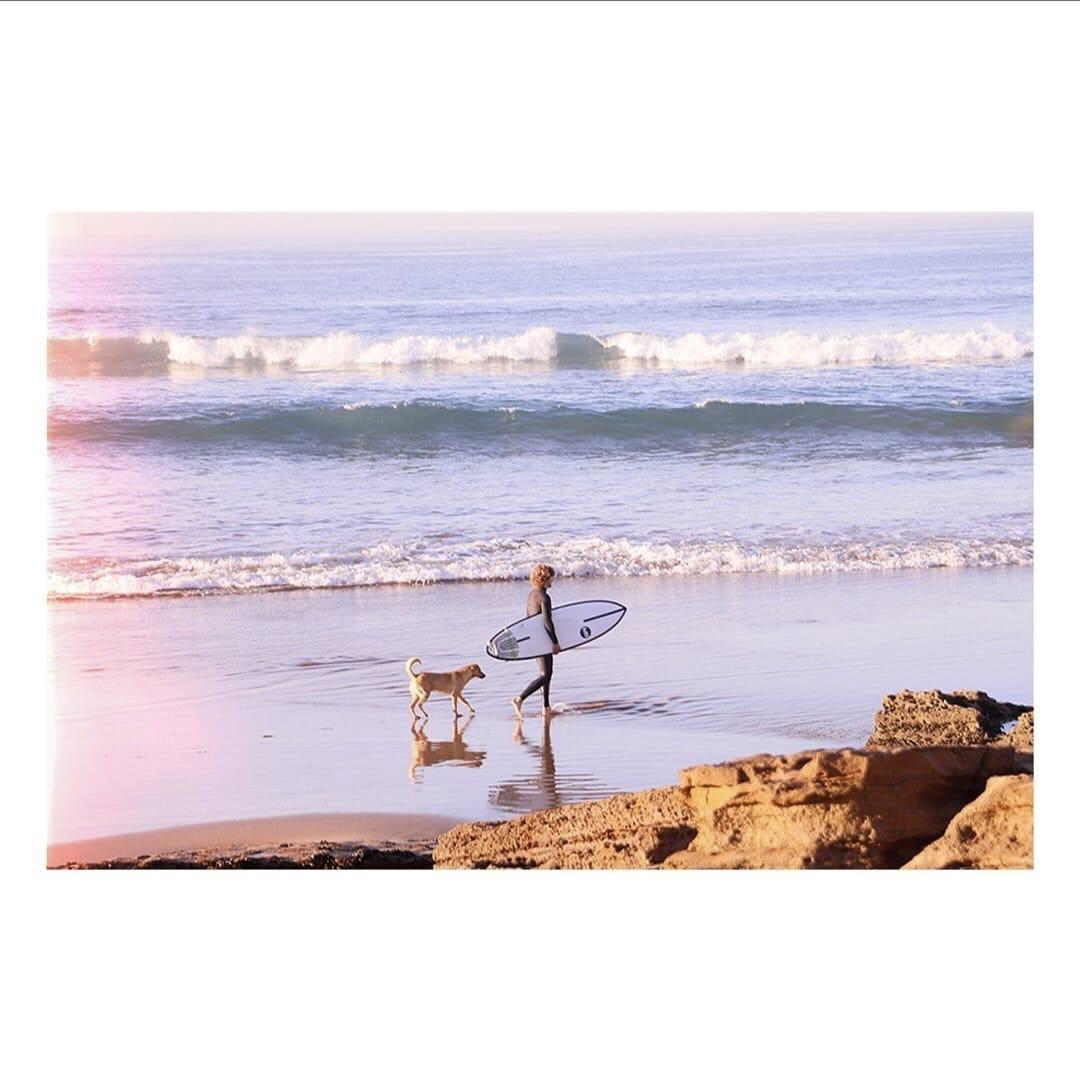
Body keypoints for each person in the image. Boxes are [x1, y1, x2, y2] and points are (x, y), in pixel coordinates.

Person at [511, 563, 560, 718]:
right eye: (551, 577)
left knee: (546, 673)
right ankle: (520, 698)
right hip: (542, 638)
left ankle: (545, 706)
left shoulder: (532, 595)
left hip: (534, 636)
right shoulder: (544, 597)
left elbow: (528, 618)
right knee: (546, 674)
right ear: (545, 578)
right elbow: (547, 621)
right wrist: (554, 642)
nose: (553, 580)